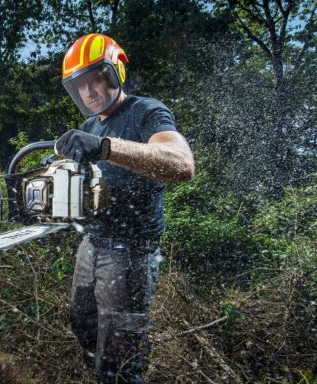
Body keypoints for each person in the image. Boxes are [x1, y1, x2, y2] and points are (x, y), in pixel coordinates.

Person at [54, 33, 195, 383]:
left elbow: (181, 163)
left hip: (130, 250)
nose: (89, 93)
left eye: (95, 80)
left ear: (115, 71)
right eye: (79, 86)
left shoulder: (146, 111)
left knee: (118, 353)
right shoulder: (90, 125)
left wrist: (106, 147)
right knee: (83, 323)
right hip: (92, 242)